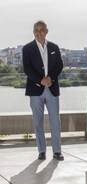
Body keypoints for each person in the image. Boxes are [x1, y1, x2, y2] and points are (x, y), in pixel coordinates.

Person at [22, 20, 64, 161]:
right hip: (35, 90)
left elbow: (59, 65)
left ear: (46, 31)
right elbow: (27, 68)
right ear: (33, 32)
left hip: (52, 88)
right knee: (38, 122)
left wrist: (50, 78)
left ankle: (57, 151)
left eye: (42, 29)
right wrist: (40, 80)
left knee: (55, 121)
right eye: (36, 30)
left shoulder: (54, 47)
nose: (39, 32)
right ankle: (41, 151)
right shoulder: (27, 49)